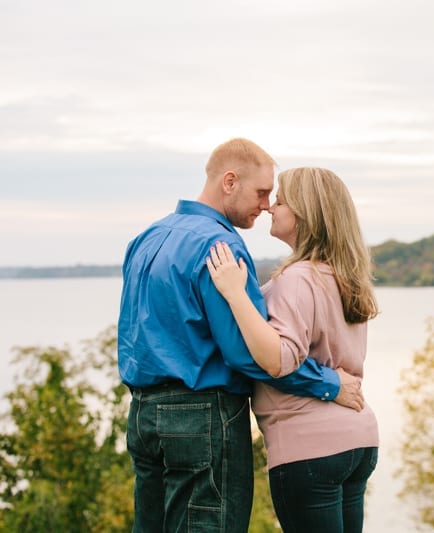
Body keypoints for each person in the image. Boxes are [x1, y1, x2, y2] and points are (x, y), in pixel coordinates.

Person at [117, 138, 365, 533]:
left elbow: (131, 338)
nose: (266, 204)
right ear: (230, 182)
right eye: (262, 192)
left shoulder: (145, 239)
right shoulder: (220, 245)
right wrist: (328, 383)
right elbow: (247, 353)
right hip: (203, 417)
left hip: (143, 415)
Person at [206, 167, 380, 533]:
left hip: (309, 446)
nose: (270, 208)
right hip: (359, 439)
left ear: (304, 212)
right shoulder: (346, 277)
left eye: (280, 200)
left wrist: (235, 294)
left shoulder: (298, 279)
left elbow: (279, 360)